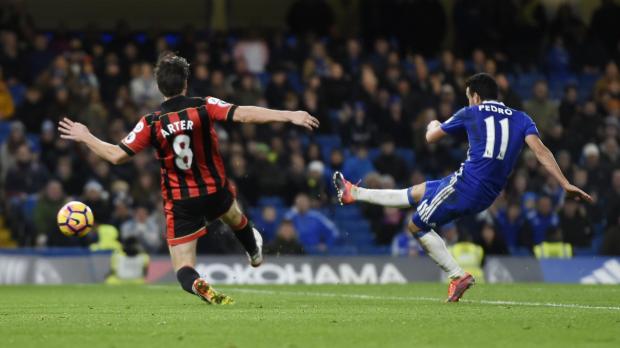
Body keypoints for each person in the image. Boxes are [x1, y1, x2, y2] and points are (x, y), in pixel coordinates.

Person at [58, 52, 319, 305]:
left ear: (160, 88)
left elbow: (116, 156)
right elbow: (244, 113)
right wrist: (288, 115)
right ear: (186, 83)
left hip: (180, 201)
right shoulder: (203, 106)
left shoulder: (151, 122)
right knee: (235, 217)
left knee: (183, 269)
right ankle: (253, 251)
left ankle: (198, 284)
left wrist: (85, 136)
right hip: (214, 190)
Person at [334, 73, 592, 302]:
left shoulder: (472, 112)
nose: (469, 101)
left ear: (476, 97)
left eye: (469, 97)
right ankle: (354, 193)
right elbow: (540, 151)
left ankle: (457, 275)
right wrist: (565, 183)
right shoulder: (522, 118)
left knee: (415, 225)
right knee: (417, 192)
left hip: (467, 185)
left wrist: (432, 124)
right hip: (486, 192)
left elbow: (431, 138)